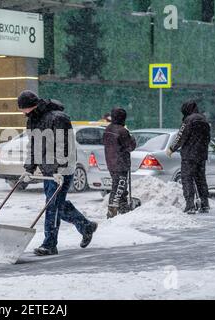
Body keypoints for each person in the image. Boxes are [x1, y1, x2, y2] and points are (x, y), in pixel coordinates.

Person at [18, 90, 98, 256]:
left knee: (52, 206)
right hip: (49, 169)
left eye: (22, 109)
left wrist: (59, 168)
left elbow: (64, 145)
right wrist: (29, 168)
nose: (22, 113)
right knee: (56, 204)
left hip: (63, 169)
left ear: (30, 106)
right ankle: (86, 226)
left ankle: (50, 244)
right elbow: (34, 146)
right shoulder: (33, 119)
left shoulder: (59, 117)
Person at [166, 100, 211, 214]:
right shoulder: (204, 120)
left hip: (189, 156)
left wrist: (172, 148)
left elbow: (181, 136)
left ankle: (190, 204)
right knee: (201, 179)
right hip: (201, 156)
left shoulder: (188, 120)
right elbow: (208, 138)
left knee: (187, 179)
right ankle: (205, 203)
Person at [103, 107, 137, 219]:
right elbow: (130, 146)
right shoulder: (122, 131)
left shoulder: (108, 128)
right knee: (118, 187)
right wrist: (131, 137)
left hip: (111, 162)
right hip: (120, 164)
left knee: (119, 187)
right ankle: (112, 213)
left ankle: (123, 210)